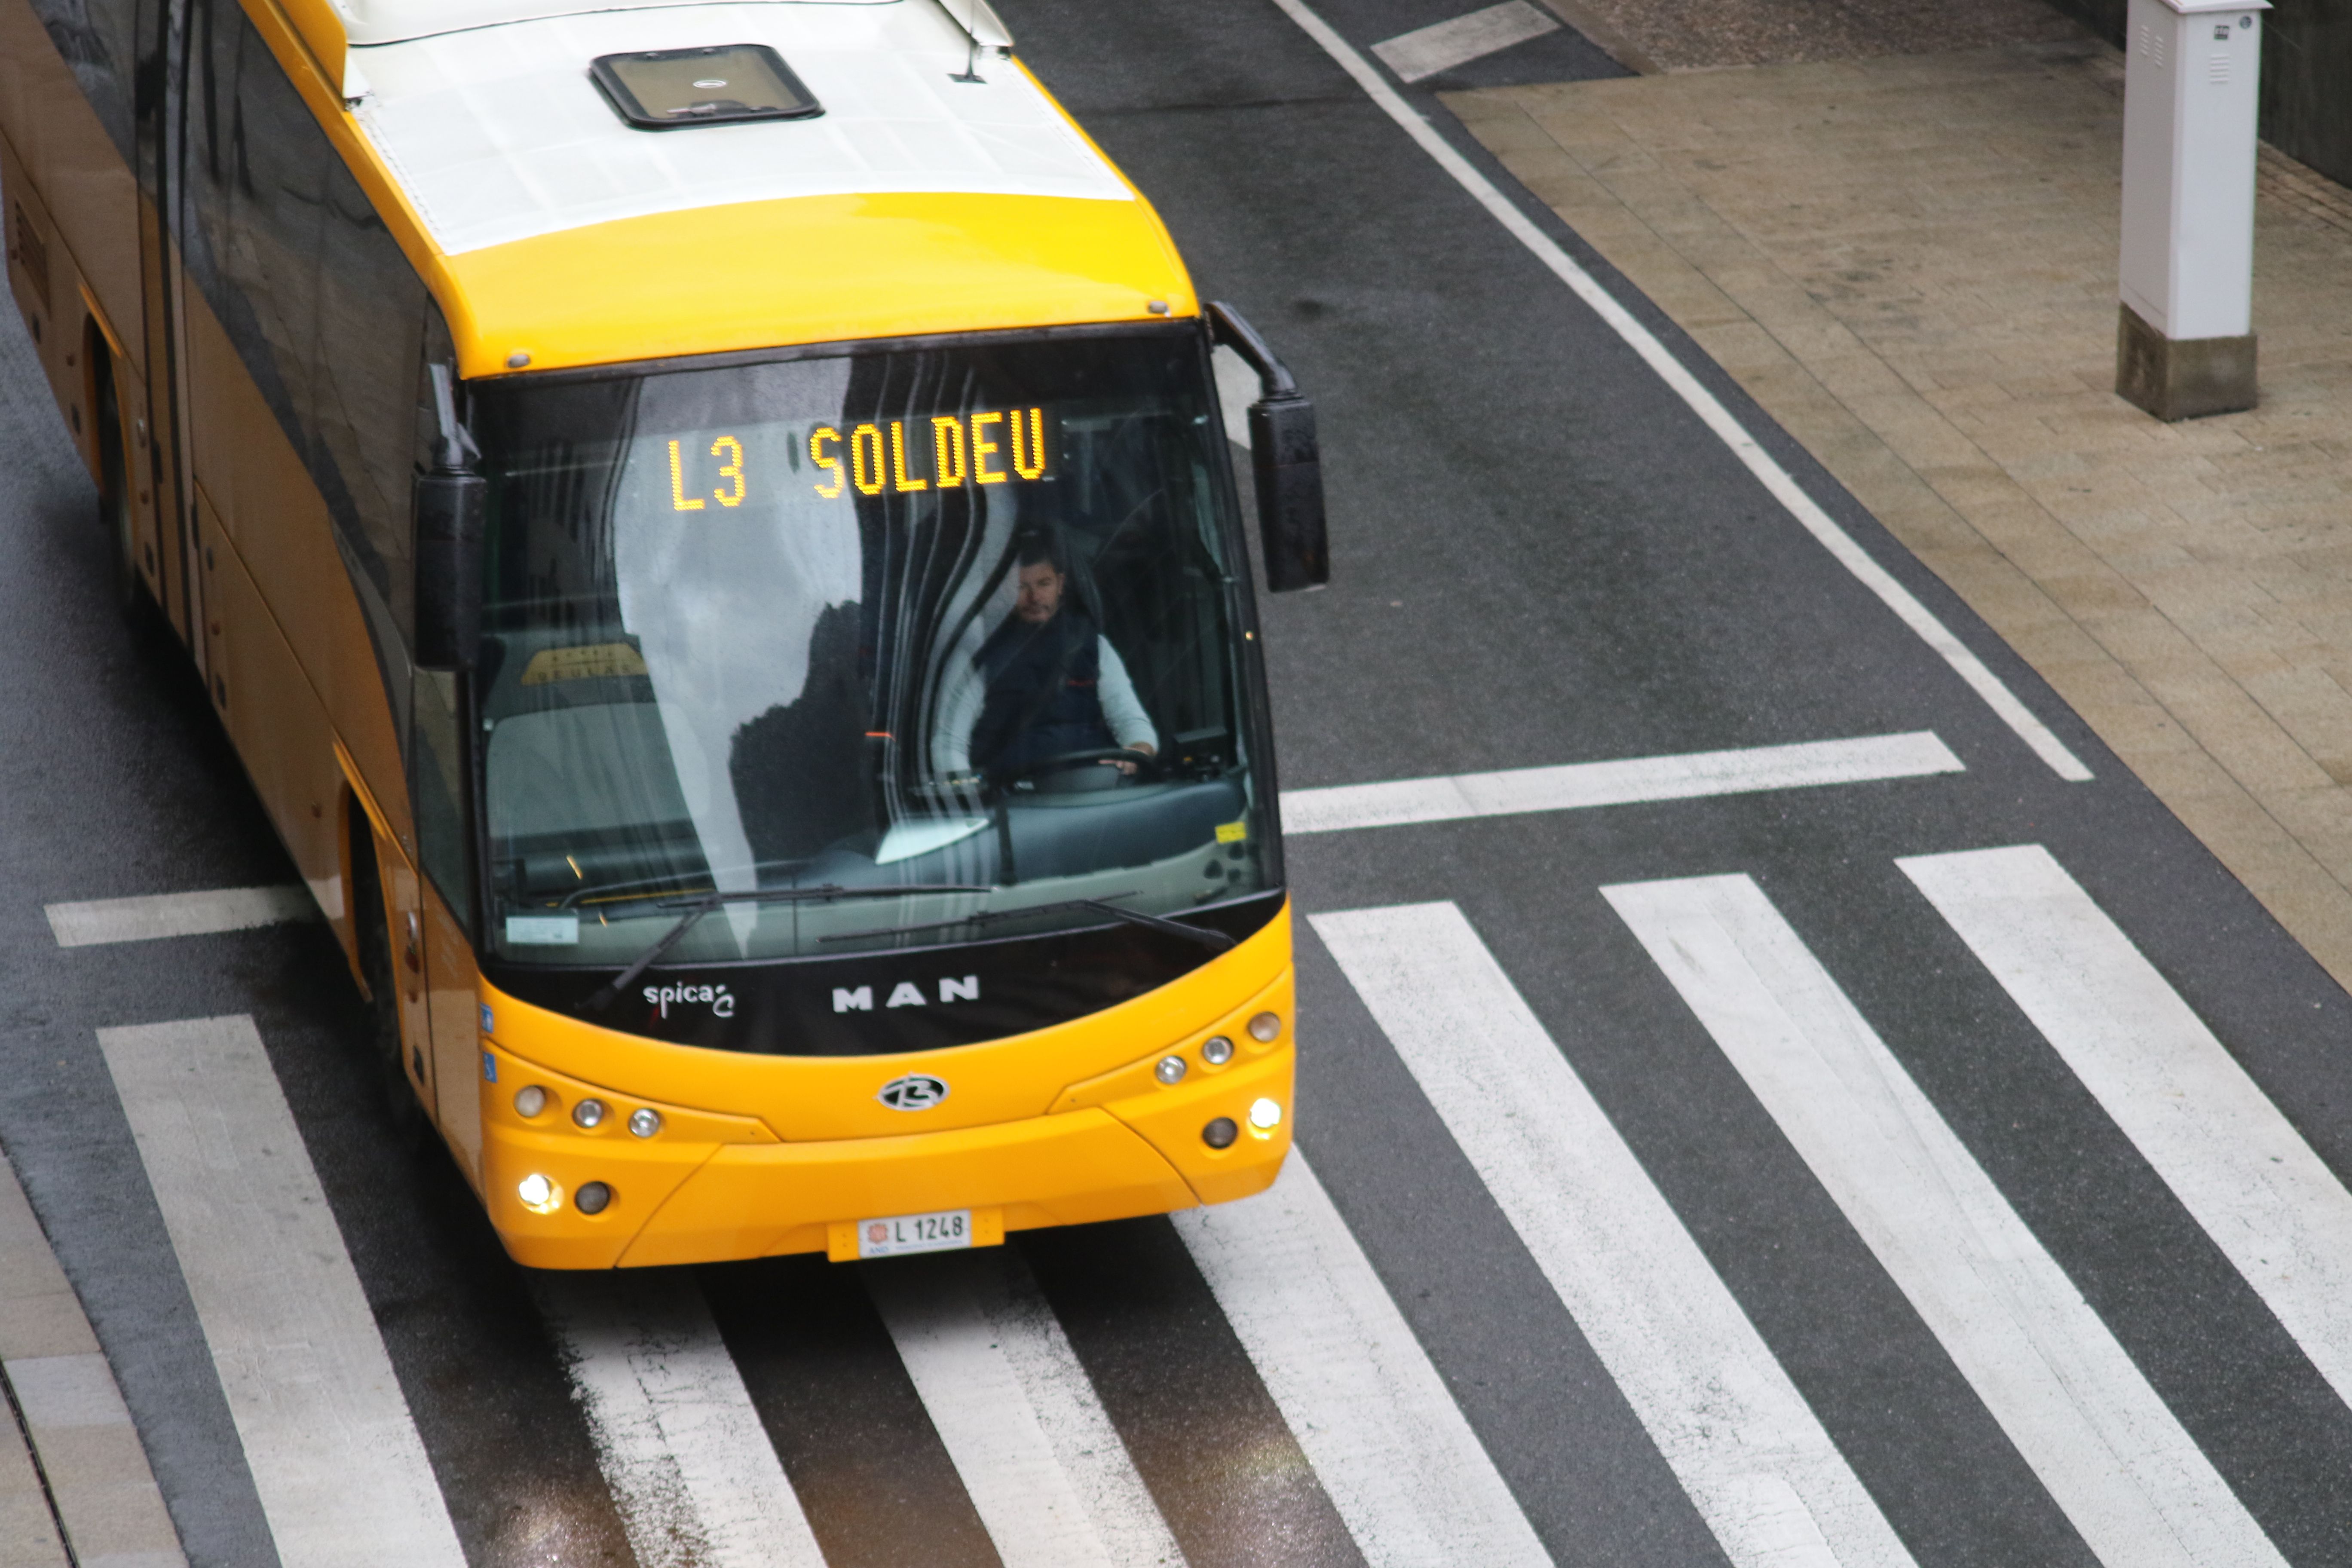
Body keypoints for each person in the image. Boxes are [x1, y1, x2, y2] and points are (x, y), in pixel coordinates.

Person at [936, 542, 1157, 778]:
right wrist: (969, 796)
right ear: (1002, 590)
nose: (1035, 597)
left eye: (1044, 583)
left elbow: (1131, 721)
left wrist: (1137, 751)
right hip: (1013, 800)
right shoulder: (977, 655)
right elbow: (949, 744)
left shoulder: (1092, 645)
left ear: (1060, 584)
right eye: (1021, 587)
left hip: (1094, 792)